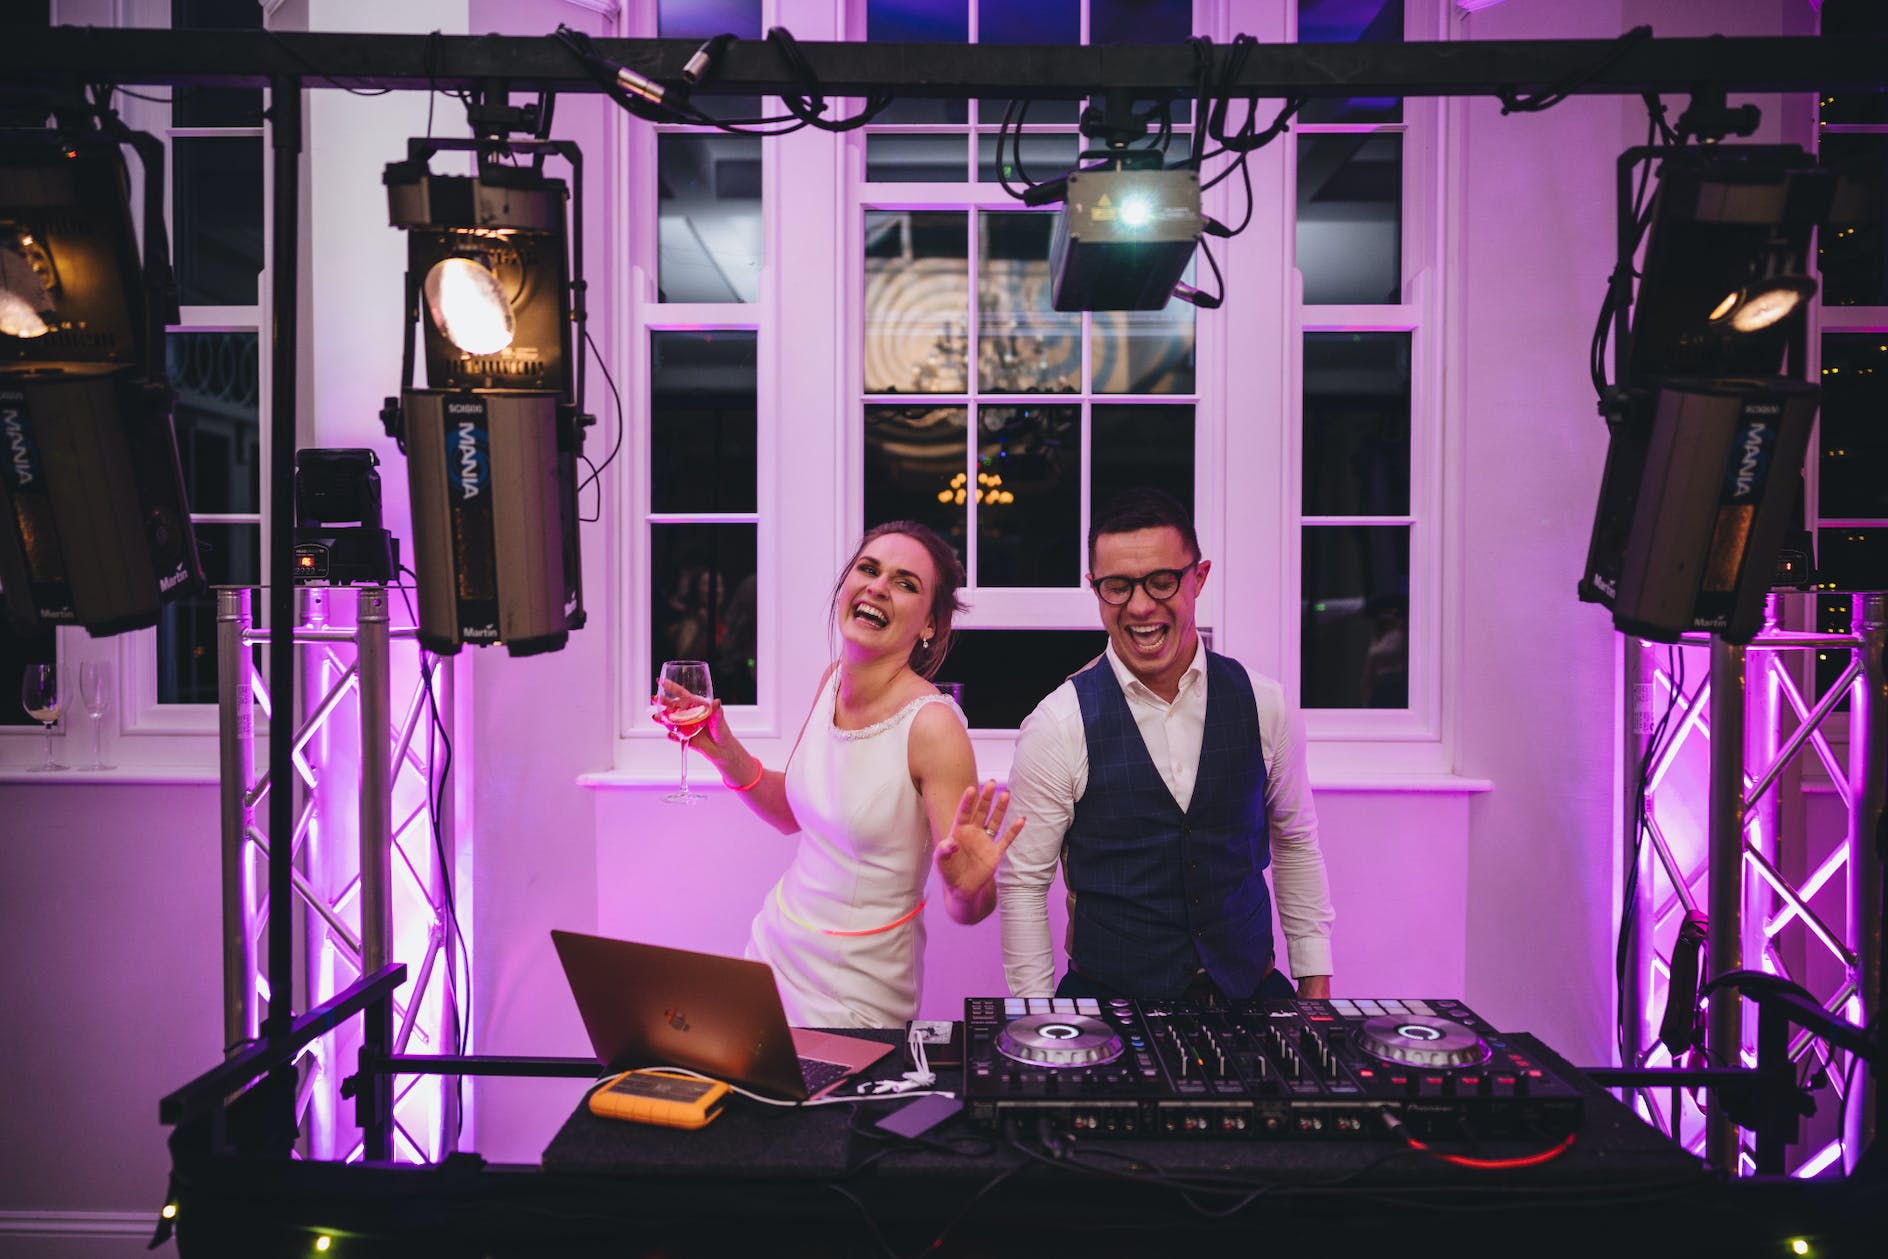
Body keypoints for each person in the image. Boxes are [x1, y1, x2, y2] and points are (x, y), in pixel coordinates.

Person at [657, 521, 1020, 1029]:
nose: (878, 586)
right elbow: (791, 813)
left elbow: (966, 905)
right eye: (868, 569)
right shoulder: (832, 681)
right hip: (772, 955)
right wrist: (723, 751)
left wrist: (968, 890)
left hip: (857, 996)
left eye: (905, 583)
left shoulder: (933, 727)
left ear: (931, 625)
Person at [999, 488, 1334, 1005]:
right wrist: (1039, 1016)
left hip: (1252, 993)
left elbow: (1295, 843)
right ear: (1095, 589)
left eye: (1161, 582)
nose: (1140, 606)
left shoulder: (1266, 704)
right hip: (1106, 1003)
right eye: (1117, 587)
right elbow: (1023, 885)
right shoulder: (1057, 724)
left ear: (1198, 578)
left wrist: (1314, 976)